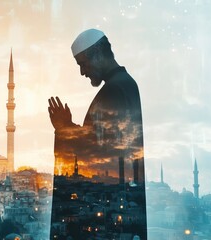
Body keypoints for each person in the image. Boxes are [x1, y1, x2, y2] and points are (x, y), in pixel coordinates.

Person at [48, 29, 146, 240]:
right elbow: (104, 143)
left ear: (98, 54)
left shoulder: (114, 90)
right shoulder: (125, 84)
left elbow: (100, 153)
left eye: (82, 64)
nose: (83, 72)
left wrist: (64, 128)